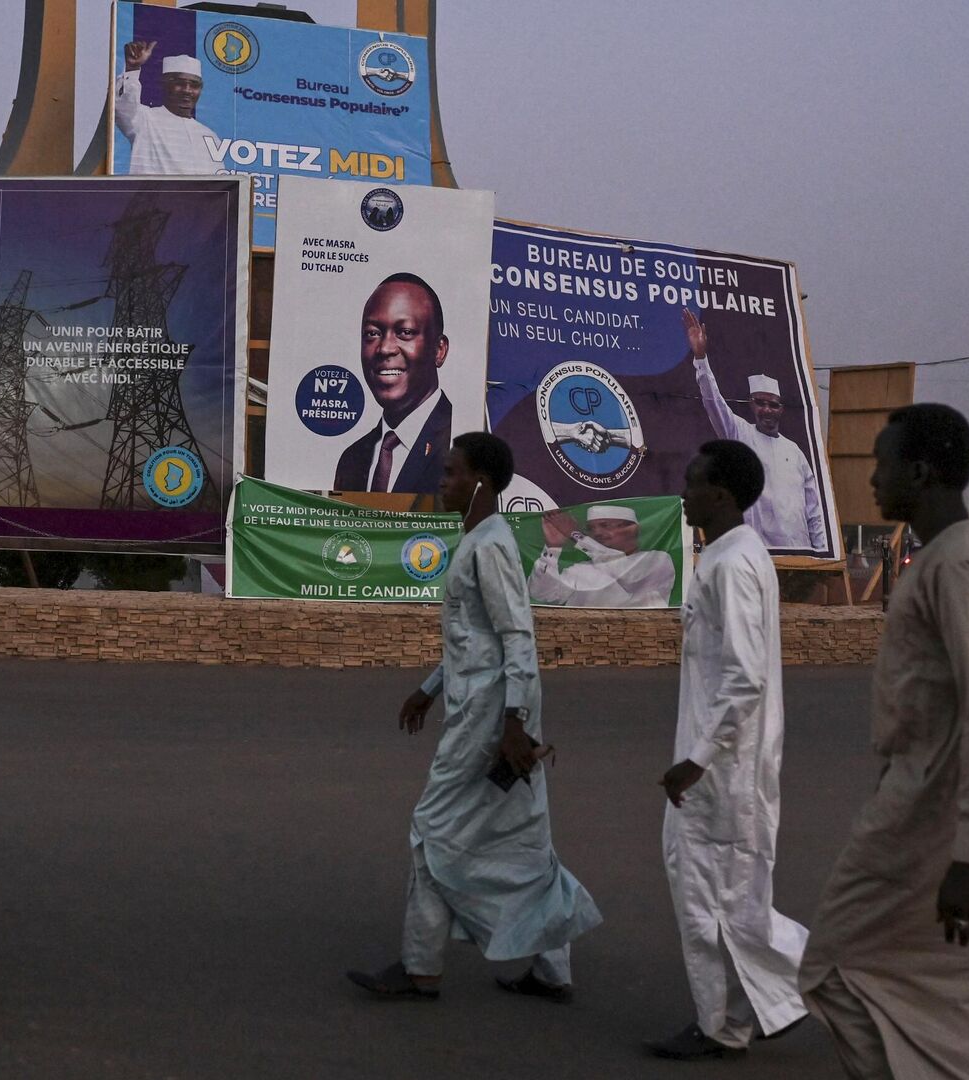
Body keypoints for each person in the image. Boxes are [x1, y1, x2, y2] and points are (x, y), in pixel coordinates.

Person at [799, 404, 969, 1080]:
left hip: (936, 824)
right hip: (922, 806)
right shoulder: (947, 557)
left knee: (834, 966)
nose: (872, 478)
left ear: (921, 472)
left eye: (883, 462)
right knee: (955, 995)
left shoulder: (958, 564)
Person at [348, 432, 602, 1002]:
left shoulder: (489, 545)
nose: (443, 481)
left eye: (452, 472)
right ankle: (553, 969)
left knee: (429, 829)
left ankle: (420, 969)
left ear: (481, 482)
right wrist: (428, 689)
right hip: (485, 708)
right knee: (526, 839)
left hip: (489, 719)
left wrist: (514, 723)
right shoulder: (478, 540)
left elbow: (518, 637)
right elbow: (474, 639)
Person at [646, 440, 809, 1061]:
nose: (683, 494)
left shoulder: (732, 564)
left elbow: (745, 676)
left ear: (720, 495)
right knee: (716, 901)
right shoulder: (728, 555)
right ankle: (726, 1024)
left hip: (724, 769)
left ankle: (825, 974)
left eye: (692, 484)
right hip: (721, 761)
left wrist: (699, 758)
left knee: (721, 903)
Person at [681, 308, 827, 550]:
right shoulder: (741, 435)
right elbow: (713, 402)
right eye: (760, 403)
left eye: (773, 404)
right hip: (756, 554)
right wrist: (701, 359)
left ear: (781, 409)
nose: (767, 410)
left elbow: (814, 511)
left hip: (800, 556)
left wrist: (822, 554)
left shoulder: (795, 452)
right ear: (751, 405)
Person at [333, 274, 454, 493]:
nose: (385, 348)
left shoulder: (461, 443)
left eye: (405, 332)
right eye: (373, 333)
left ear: (439, 350)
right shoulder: (352, 459)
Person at [528, 504, 675, 608]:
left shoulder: (658, 560)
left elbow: (628, 575)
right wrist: (553, 548)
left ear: (632, 529)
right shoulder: (582, 569)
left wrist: (577, 537)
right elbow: (541, 594)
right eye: (591, 528)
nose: (596, 533)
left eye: (605, 525)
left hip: (642, 642)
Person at [114, 42, 220, 176]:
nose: (187, 90)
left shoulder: (209, 135)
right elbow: (122, 104)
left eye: (194, 85)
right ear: (164, 85)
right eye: (179, 83)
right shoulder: (145, 119)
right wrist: (133, 68)